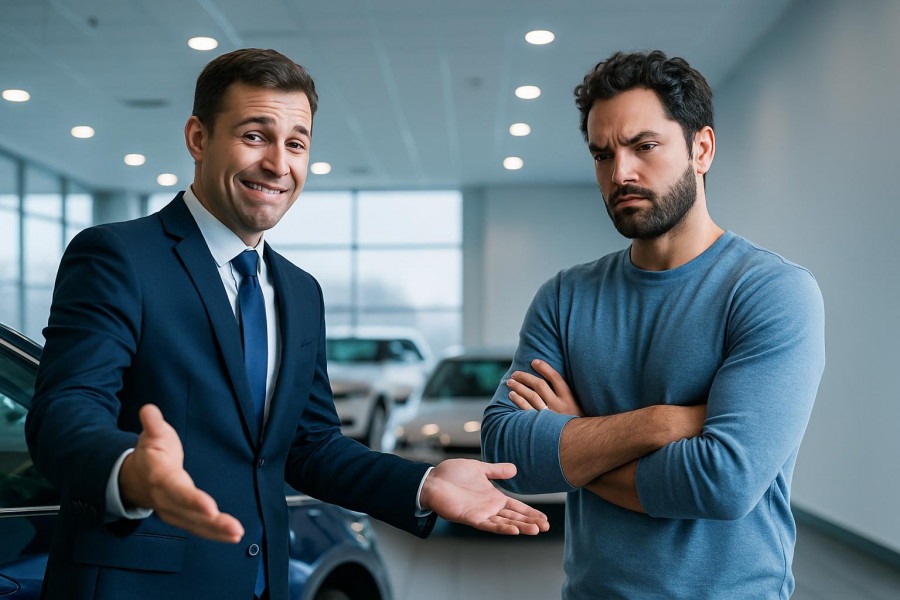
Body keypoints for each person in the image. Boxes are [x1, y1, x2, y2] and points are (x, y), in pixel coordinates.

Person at [25, 48, 548, 600]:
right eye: (255, 136)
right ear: (198, 138)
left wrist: (423, 480)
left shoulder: (300, 291)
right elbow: (64, 411)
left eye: (296, 144)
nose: (279, 165)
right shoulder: (118, 256)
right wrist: (129, 471)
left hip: (264, 582)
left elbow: (310, 446)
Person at [481, 50, 825, 599]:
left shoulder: (771, 291)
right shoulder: (565, 296)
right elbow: (509, 453)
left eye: (644, 146)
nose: (620, 173)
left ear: (701, 149)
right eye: (602, 154)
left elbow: (722, 484)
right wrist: (661, 423)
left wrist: (576, 438)